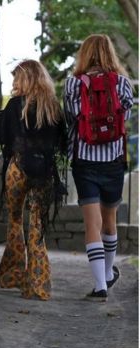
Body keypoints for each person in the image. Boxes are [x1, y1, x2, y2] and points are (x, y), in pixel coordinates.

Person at [63, 34, 134, 302]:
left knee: (91, 224)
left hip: (84, 159)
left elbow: (70, 118)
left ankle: (99, 285)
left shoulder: (72, 84)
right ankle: (106, 273)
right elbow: (124, 119)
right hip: (113, 160)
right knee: (109, 222)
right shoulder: (123, 84)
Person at [0, 59, 66, 301]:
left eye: (17, 77)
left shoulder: (15, 105)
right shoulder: (53, 107)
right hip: (44, 172)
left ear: (26, 78)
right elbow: (60, 143)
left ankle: (13, 275)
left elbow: (3, 138)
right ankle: (38, 283)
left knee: (15, 220)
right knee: (37, 226)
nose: (15, 82)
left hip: (17, 168)